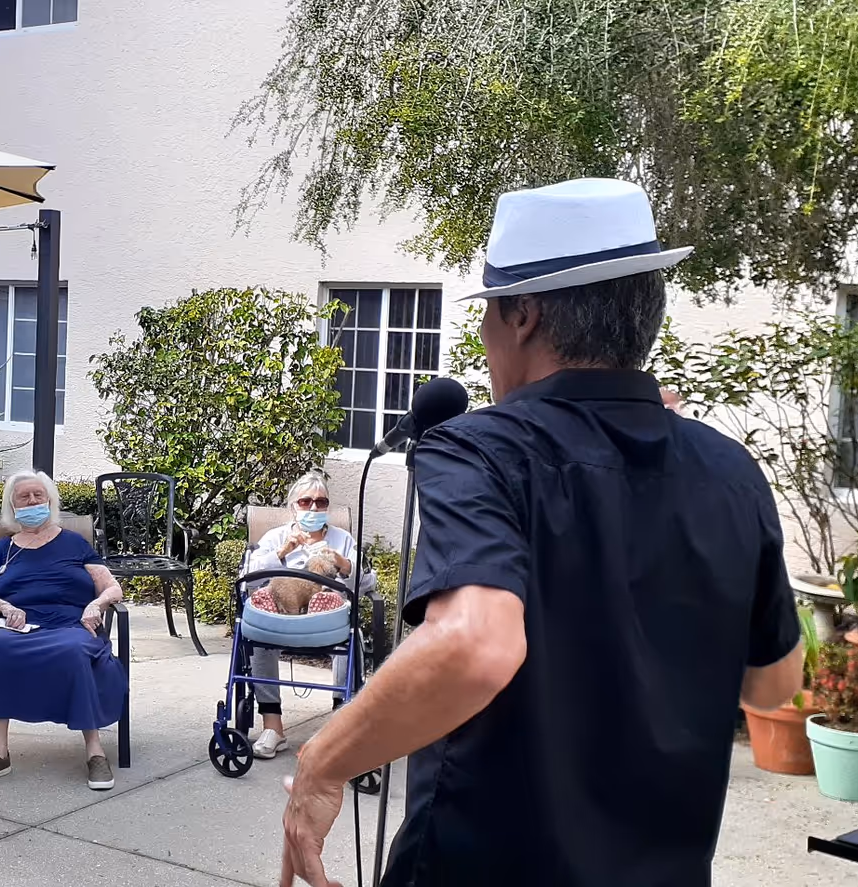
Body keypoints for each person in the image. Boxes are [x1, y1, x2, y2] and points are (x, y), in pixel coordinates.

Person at [277, 178, 802, 887]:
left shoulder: (479, 448)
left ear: (522, 314)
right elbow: (774, 685)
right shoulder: (731, 471)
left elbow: (475, 642)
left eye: (487, 314)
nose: (486, 337)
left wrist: (322, 760)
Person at [0, 470, 127, 792]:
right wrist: (3, 606)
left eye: (38, 495)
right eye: (24, 497)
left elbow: (112, 588)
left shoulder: (75, 544)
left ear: (50, 501)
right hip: (19, 624)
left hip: (70, 622)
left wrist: (95, 606)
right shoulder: (4, 548)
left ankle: (95, 751)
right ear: (12, 506)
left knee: (74, 651)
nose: (32, 501)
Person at [243, 470, 367, 760]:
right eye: (306, 502)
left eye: (321, 502)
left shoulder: (342, 538)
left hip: (326, 623)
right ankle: (273, 727)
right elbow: (248, 578)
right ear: (293, 507)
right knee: (259, 627)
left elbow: (367, 583)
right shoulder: (276, 537)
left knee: (347, 631)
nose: (313, 508)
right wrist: (286, 550)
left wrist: (342, 562)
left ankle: (340, 725)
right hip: (280, 619)